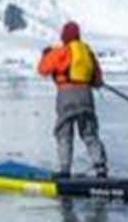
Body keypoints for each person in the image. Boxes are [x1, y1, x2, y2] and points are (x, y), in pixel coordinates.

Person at [36, 21, 110, 178]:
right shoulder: (87, 52)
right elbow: (97, 81)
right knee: (89, 133)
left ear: (64, 36)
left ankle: (65, 170)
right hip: (86, 96)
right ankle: (100, 167)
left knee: (64, 133)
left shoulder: (61, 52)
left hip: (66, 96)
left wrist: (46, 55)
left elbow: (43, 70)